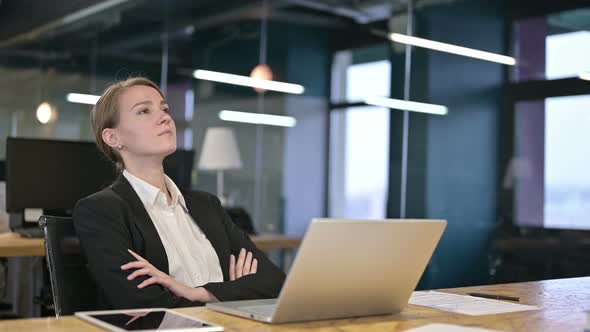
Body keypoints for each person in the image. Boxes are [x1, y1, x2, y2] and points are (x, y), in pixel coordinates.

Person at [73, 77, 285, 310]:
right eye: (144, 111)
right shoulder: (101, 211)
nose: (165, 117)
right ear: (113, 138)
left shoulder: (207, 205)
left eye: (164, 109)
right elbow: (142, 304)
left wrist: (198, 293)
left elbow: (274, 283)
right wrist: (232, 293)